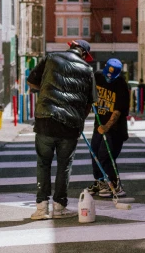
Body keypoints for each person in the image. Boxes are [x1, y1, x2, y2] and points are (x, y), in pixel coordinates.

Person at [27, 39, 97, 220]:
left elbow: (32, 82)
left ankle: (41, 208)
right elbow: (90, 102)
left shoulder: (51, 58)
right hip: (69, 126)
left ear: (71, 47)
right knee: (64, 167)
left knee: (43, 163)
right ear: (84, 54)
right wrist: (79, 118)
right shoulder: (88, 70)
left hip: (45, 120)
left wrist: (46, 91)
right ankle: (59, 207)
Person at [89, 58, 130, 198]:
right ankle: (100, 183)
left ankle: (115, 185)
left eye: (112, 76)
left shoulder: (121, 85)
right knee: (94, 152)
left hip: (115, 129)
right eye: (107, 74)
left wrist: (106, 127)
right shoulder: (98, 76)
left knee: (105, 156)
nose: (109, 78)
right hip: (99, 125)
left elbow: (118, 111)